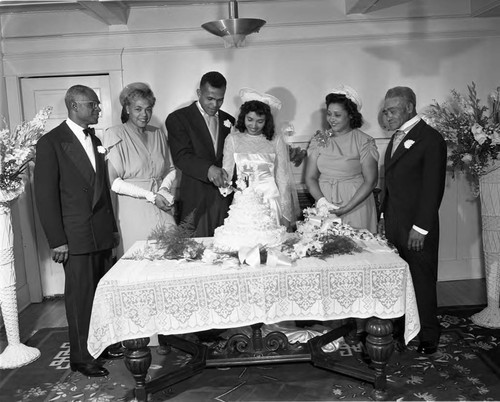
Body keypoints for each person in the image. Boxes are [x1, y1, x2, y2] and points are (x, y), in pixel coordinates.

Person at [34, 85, 119, 377]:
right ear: (73, 105)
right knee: (81, 297)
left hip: (101, 231)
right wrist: (57, 240)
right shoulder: (51, 142)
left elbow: (103, 190)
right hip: (76, 234)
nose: (98, 109)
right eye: (93, 105)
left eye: (97, 105)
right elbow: (44, 197)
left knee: (101, 294)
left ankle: (101, 345)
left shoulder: (95, 138)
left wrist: (113, 230)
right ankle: (82, 357)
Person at [378, 86, 447, 355]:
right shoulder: (396, 138)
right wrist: (384, 217)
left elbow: (433, 188)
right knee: (400, 279)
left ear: (409, 107)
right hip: (394, 223)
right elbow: (391, 185)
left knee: (421, 278)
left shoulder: (430, 138)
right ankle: (406, 327)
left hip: (417, 227)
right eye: (385, 111)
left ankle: (429, 332)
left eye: (392, 110)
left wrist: (421, 228)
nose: (387, 115)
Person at [102, 82, 176, 257]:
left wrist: (163, 189)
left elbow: (171, 169)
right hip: (133, 209)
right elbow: (114, 182)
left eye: (148, 109)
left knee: (171, 257)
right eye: (138, 109)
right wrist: (150, 196)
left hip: (162, 206)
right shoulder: (114, 133)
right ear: (127, 108)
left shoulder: (157, 133)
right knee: (140, 262)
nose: (144, 114)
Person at [166, 71, 235, 237]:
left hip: (225, 200)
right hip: (195, 198)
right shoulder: (178, 118)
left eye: (220, 99)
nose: (215, 104)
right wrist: (208, 169)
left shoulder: (230, 121)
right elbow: (181, 156)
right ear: (199, 93)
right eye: (210, 98)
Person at [220, 88, 299, 228]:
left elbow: (282, 178)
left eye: (260, 121)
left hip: (271, 201)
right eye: (250, 120)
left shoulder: (276, 140)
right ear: (243, 117)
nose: (254, 126)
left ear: (266, 121)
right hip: (244, 202)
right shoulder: (233, 139)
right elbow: (226, 172)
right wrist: (230, 190)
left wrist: (286, 212)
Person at [305, 85, 379, 234]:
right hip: (325, 204)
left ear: (351, 115)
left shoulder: (364, 141)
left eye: (337, 115)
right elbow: (310, 178)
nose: (331, 119)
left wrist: (347, 208)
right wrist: (322, 202)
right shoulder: (319, 139)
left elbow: (370, 181)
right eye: (329, 114)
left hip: (356, 205)